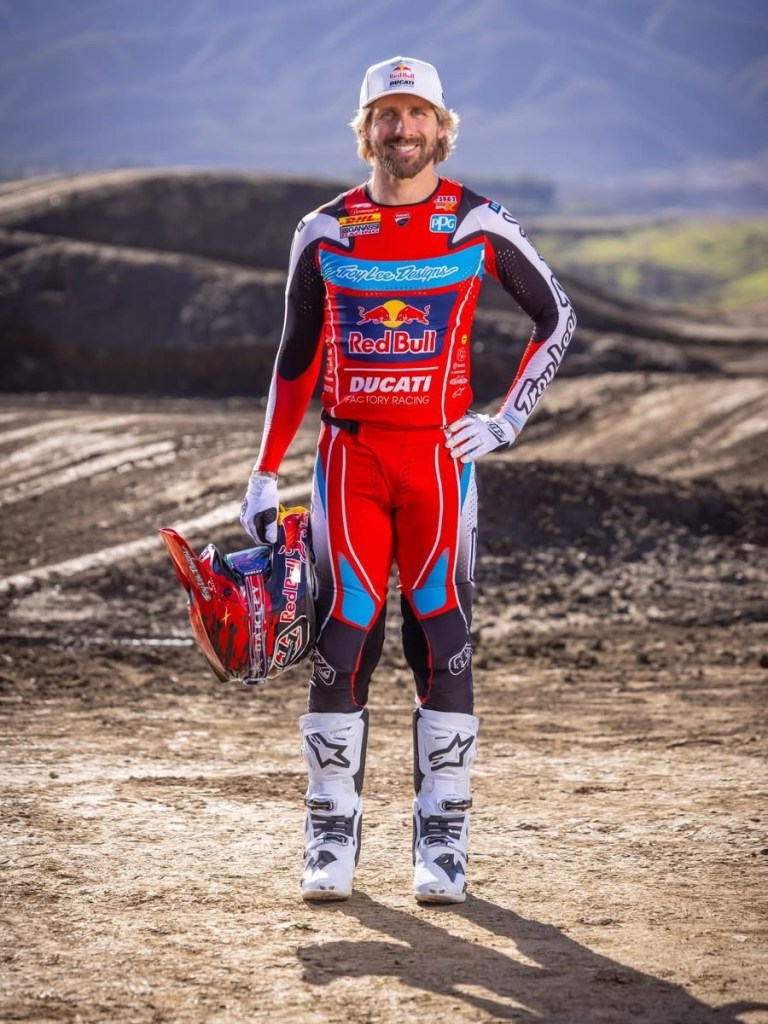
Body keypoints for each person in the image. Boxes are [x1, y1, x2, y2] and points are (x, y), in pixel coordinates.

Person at [240, 55, 576, 904]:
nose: (403, 128)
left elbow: (557, 315)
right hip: (347, 460)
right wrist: (264, 470)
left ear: (441, 126)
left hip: (439, 460)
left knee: (441, 628)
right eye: (386, 114)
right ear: (367, 131)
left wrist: (507, 420)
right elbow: (294, 358)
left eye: (417, 112)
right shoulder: (324, 229)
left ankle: (443, 840)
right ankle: (330, 834)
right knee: (342, 630)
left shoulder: (476, 220)